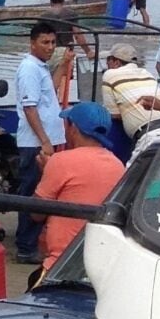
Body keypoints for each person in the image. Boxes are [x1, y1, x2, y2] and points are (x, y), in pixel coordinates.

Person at [33, 100, 124, 265]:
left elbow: (36, 213)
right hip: (99, 257)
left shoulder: (60, 161)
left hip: (61, 259)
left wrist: (46, 172)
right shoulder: (117, 165)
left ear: (73, 128)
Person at [12, 20, 66, 263]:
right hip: (34, 142)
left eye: (53, 42)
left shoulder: (41, 67)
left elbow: (49, 94)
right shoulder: (29, 69)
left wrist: (63, 68)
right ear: (32, 43)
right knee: (33, 193)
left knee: (41, 192)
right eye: (45, 42)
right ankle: (25, 246)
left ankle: (30, 241)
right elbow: (30, 106)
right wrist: (44, 139)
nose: (50, 47)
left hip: (47, 139)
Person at [99, 41, 160, 151]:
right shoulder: (146, 73)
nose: (106, 65)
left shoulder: (110, 74)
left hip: (148, 135)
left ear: (116, 62)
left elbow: (115, 116)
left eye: (108, 60)